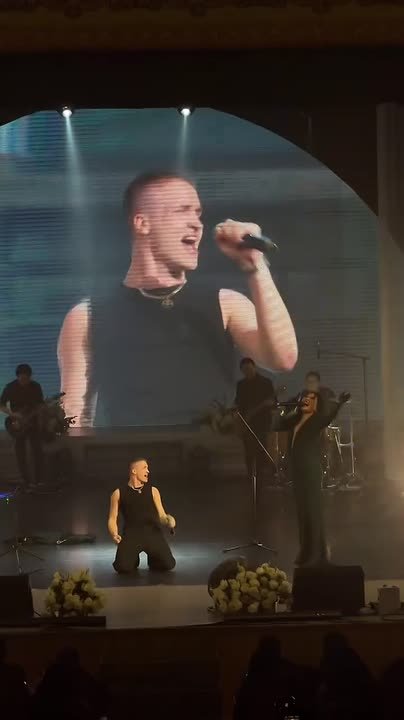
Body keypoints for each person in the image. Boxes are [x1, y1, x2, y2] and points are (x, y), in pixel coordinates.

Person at [58, 172, 297, 426]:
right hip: (129, 450)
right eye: (182, 211)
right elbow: (75, 415)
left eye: (198, 213)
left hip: (211, 449)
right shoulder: (86, 317)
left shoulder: (227, 304)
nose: (197, 224)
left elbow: (282, 359)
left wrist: (254, 264)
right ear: (142, 223)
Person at [280, 389, 350, 566]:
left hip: (311, 470)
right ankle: (304, 550)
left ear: (317, 404)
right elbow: (278, 424)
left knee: (314, 512)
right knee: (302, 512)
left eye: (312, 399)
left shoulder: (317, 419)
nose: (307, 400)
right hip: (297, 471)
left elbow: (328, 417)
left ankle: (319, 552)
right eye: (305, 397)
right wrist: (286, 409)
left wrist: (339, 403)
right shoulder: (294, 419)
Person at [108, 458, 176, 573]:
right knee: (122, 567)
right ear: (134, 471)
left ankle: (154, 558)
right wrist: (114, 534)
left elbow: (162, 515)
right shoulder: (118, 493)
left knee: (168, 564)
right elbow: (112, 518)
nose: (148, 471)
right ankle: (133, 558)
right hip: (132, 534)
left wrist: (168, 520)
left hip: (152, 533)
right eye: (145, 468)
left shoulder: (153, 491)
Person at [0, 364, 44, 487]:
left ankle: (38, 481)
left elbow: (40, 404)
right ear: (18, 376)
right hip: (17, 423)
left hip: (33, 422)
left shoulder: (36, 386)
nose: (24, 381)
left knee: (37, 450)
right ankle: (26, 481)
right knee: (20, 452)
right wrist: (13, 414)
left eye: (27, 378)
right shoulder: (10, 387)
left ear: (30, 376)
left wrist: (40, 413)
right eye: (22, 378)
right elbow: (1, 405)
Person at [235, 357, 276, 478]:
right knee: (248, 451)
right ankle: (251, 477)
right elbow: (238, 402)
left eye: (249, 368)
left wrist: (268, 404)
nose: (247, 372)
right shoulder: (241, 385)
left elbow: (273, 401)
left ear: (254, 367)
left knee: (261, 449)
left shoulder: (266, 382)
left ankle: (261, 477)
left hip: (262, 422)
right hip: (246, 422)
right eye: (244, 370)